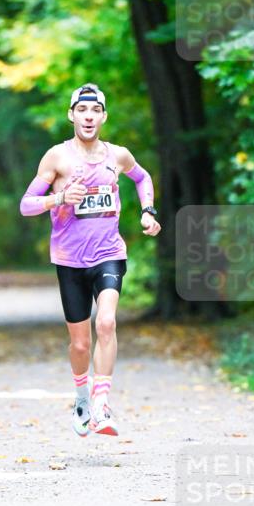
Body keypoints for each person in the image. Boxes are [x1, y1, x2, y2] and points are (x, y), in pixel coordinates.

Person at [20, 83, 160, 436]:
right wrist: (61, 198)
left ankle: (102, 404)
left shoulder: (118, 155)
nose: (88, 116)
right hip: (69, 260)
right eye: (82, 110)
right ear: (71, 115)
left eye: (95, 110)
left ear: (103, 116)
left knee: (107, 323)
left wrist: (148, 210)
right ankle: (82, 396)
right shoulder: (57, 157)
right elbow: (26, 205)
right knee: (80, 343)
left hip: (109, 254)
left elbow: (142, 178)